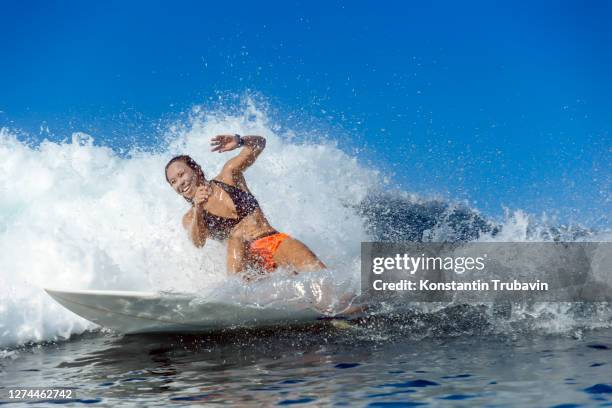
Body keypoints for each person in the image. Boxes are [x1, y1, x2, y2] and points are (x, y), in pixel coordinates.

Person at [165, 134, 326, 279]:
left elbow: (259, 144)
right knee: (236, 238)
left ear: (197, 170)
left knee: (322, 278)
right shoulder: (190, 218)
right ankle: (236, 295)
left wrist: (241, 141)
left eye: (181, 174)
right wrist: (198, 208)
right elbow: (198, 242)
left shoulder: (228, 176)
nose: (180, 183)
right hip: (249, 267)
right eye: (173, 182)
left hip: (274, 244)